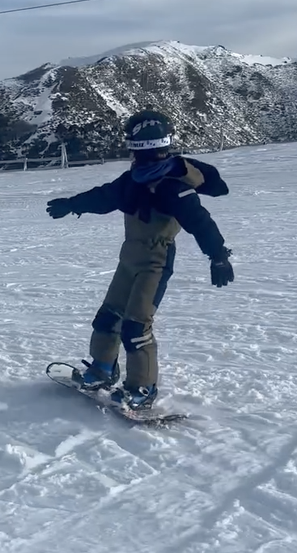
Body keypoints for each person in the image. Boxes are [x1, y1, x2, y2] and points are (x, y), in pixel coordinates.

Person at [46, 109, 234, 414]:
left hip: (156, 262)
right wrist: (72, 204)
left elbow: (201, 222)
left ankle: (141, 387)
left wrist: (219, 256)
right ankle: (103, 369)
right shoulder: (133, 180)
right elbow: (105, 196)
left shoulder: (172, 186)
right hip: (130, 256)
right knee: (109, 316)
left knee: (135, 326)